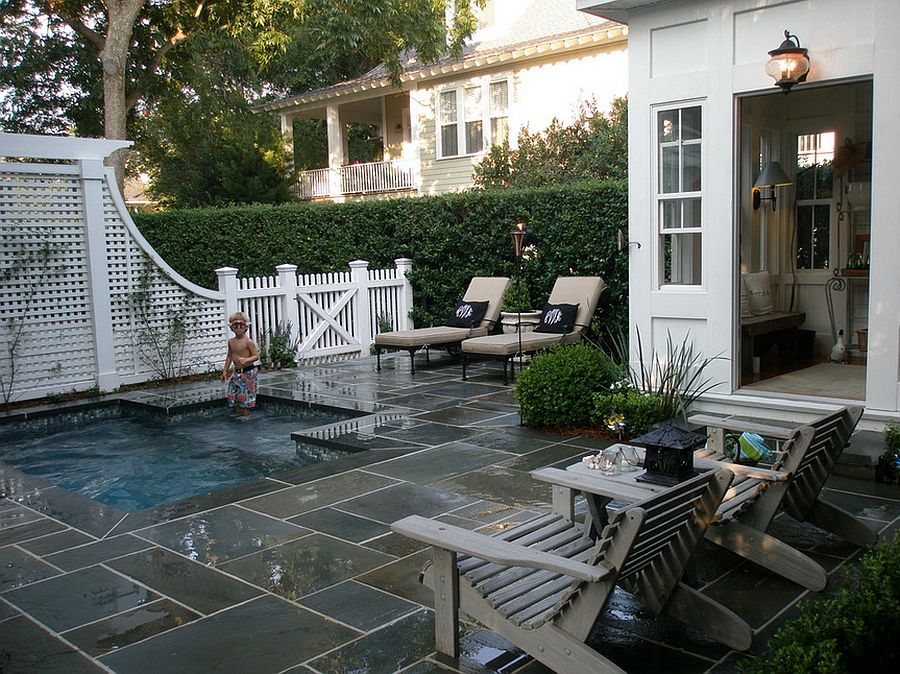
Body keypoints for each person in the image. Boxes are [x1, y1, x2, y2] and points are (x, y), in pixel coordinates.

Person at [222, 312, 259, 417]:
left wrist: (246, 360)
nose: (238, 328)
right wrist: (225, 371)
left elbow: (256, 356)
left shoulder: (248, 342)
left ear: (246, 327)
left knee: (245, 396)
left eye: (241, 325)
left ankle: (246, 414)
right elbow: (229, 356)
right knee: (234, 394)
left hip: (248, 373)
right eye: (235, 325)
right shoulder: (231, 342)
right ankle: (238, 412)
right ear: (231, 328)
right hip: (236, 373)